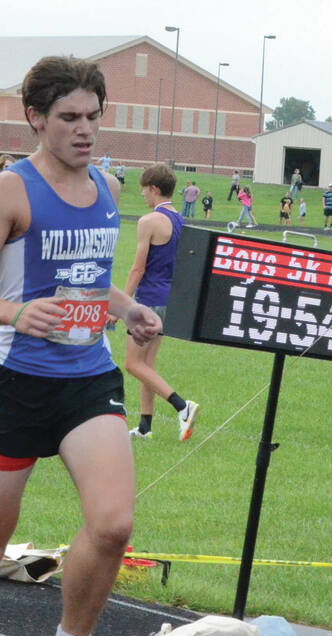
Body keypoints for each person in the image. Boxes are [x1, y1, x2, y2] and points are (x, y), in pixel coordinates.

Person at [0, 55, 161, 636]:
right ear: (36, 118)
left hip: (88, 378)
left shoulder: (107, 187)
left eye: (93, 116)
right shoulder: (9, 191)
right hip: (16, 382)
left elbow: (86, 275)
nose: (84, 129)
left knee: (112, 528)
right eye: (68, 117)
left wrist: (127, 309)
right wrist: (16, 311)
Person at [110, 163, 199, 442]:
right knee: (146, 363)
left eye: (144, 191)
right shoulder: (182, 220)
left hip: (149, 301)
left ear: (155, 189)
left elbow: (138, 269)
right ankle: (146, 427)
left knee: (132, 364)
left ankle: (182, 406)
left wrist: (121, 306)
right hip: (170, 301)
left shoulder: (149, 221)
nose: (143, 196)